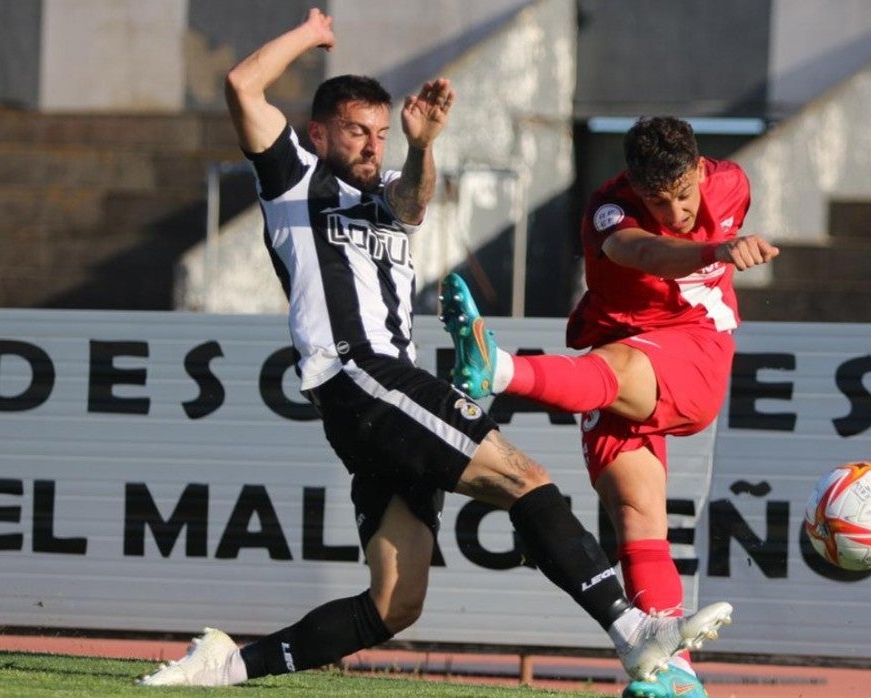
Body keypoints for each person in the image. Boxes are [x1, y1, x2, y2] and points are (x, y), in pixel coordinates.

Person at [136, 9, 732, 689]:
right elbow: (244, 85)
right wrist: (310, 32)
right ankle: (635, 632)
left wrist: (422, 146)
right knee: (524, 479)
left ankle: (228, 664)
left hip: (378, 396)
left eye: (381, 133)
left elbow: (416, 203)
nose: (371, 145)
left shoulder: (387, 193)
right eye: (358, 132)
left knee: (395, 603)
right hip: (364, 374)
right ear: (319, 133)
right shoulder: (296, 181)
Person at [441, 115, 778, 697]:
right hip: (614, 360)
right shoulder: (608, 209)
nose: (674, 212)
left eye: (683, 195)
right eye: (657, 199)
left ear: (701, 170)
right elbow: (642, 251)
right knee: (636, 515)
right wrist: (716, 248)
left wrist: (724, 244)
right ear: (633, 184)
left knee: (618, 366)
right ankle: (675, 675)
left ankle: (497, 369)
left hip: (695, 347)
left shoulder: (731, 183)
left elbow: (682, 242)